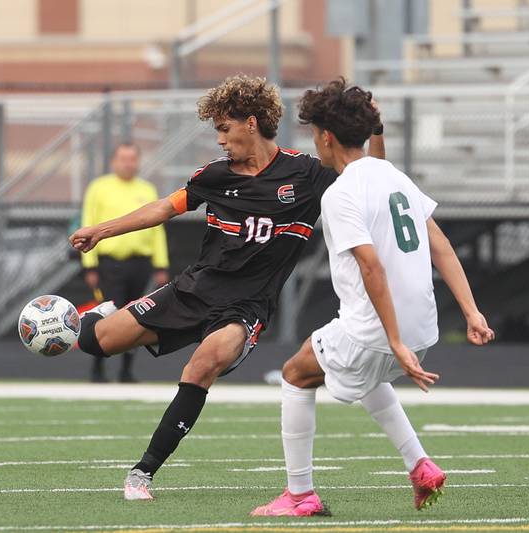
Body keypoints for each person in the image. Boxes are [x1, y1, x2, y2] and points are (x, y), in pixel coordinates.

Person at [69, 74, 385, 501]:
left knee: (203, 363)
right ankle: (98, 315)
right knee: (95, 342)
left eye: (224, 128)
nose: (219, 139)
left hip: (246, 306)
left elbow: (372, 175)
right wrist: (102, 231)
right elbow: (164, 207)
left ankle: (142, 473)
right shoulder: (214, 177)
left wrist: (377, 131)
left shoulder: (307, 174)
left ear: (251, 123)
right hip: (193, 289)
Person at [251, 79, 495, 517]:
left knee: (295, 374)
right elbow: (440, 244)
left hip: (382, 331)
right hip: (423, 330)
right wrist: (472, 312)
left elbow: (371, 267)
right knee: (366, 376)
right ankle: (420, 465)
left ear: (326, 137)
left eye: (315, 134)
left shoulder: (340, 193)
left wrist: (395, 341)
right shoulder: (395, 178)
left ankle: (300, 495)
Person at [80, 143, 170, 383]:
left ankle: (126, 370)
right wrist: (89, 265)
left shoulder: (147, 189)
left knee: (136, 314)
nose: (128, 163)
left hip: (140, 263)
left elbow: (157, 230)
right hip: (110, 264)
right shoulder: (99, 188)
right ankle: (97, 368)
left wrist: (160, 265)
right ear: (113, 161)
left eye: (132, 159)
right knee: (108, 313)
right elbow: (89, 222)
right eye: (123, 159)